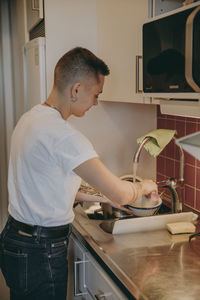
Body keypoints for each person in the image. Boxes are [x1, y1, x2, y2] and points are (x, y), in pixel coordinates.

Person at [0, 47, 158, 300]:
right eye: (96, 94)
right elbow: (121, 192)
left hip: (17, 241)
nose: (96, 102)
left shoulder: (31, 119)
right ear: (76, 90)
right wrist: (144, 186)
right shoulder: (64, 137)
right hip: (40, 250)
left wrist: (102, 198)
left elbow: (47, 185)